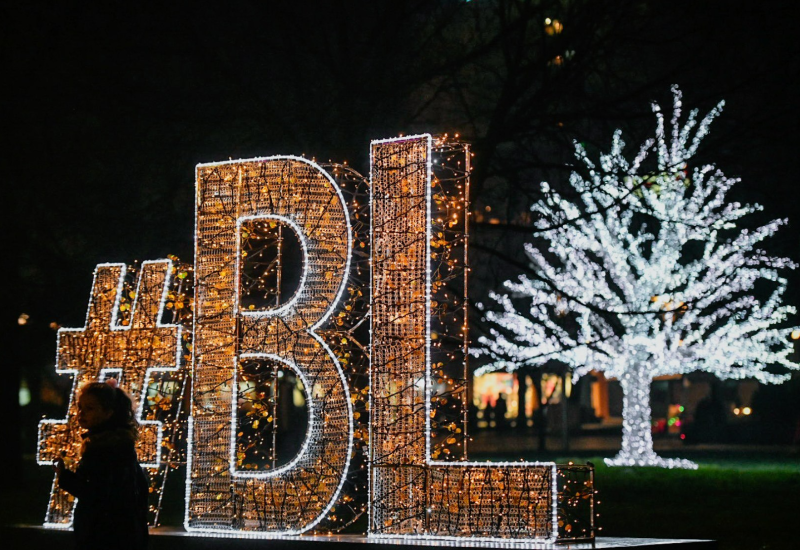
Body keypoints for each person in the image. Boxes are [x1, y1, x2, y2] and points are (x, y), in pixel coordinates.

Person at [54, 379, 149, 550]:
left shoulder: (103, 448)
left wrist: (64, 477)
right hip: (122, 530)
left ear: (108, 412)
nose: (81, 413)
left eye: (89, 408)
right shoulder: (121, 443)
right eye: (80, 407)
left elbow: (95, 492)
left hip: (104, 533)